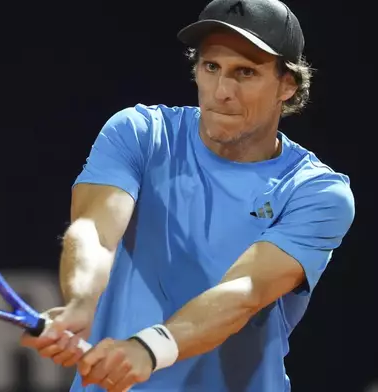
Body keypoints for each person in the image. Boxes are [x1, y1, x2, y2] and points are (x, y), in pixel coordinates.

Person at [20, 0, 356, 391]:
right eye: (211, 67)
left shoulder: (316, 192)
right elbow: (95, 232)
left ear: (288, 85)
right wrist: (81, 300)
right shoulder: (141, 133)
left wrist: (149, 348)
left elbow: (243, 292)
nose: (221, 91)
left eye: (244, 72)